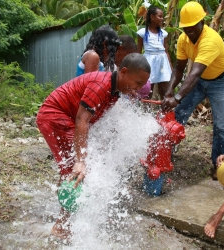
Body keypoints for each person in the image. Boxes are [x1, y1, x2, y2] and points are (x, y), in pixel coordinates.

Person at [36, 53, 151, 239]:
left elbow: (93, 120)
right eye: (138, 83)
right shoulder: (102, 85)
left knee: (74, 167)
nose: (138, 90)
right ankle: (61, 225)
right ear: (123, 72)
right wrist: (81, 160)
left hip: (66, 119)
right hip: (55, 116)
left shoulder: (115, 90)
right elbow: (82, 119)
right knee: (75, 169)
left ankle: (64, 214)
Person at [161, 1, 224, 180]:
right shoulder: (183, 39)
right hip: (200, 80)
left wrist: (177, 96)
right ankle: (165, 156)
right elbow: (179, 69)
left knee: (220, 125)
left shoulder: (210, 40)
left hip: (221, 82)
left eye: (193, 26)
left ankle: (218, 165)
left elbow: (194, 73)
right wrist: (169, 92)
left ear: (202, 21)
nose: (189, 30)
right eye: (186, 27)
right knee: (178, 115)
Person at [137, 5, 172, 100]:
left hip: (162, 62)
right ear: (152, 17)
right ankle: (145, 114)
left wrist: (170, 67)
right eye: (160, 16)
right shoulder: (142, 33)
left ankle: (165, 113)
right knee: (148, 90)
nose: (162, 19)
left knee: (164, 92)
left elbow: (166, 51)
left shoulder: (164, 34)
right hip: (149, 62)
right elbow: (138, 52)